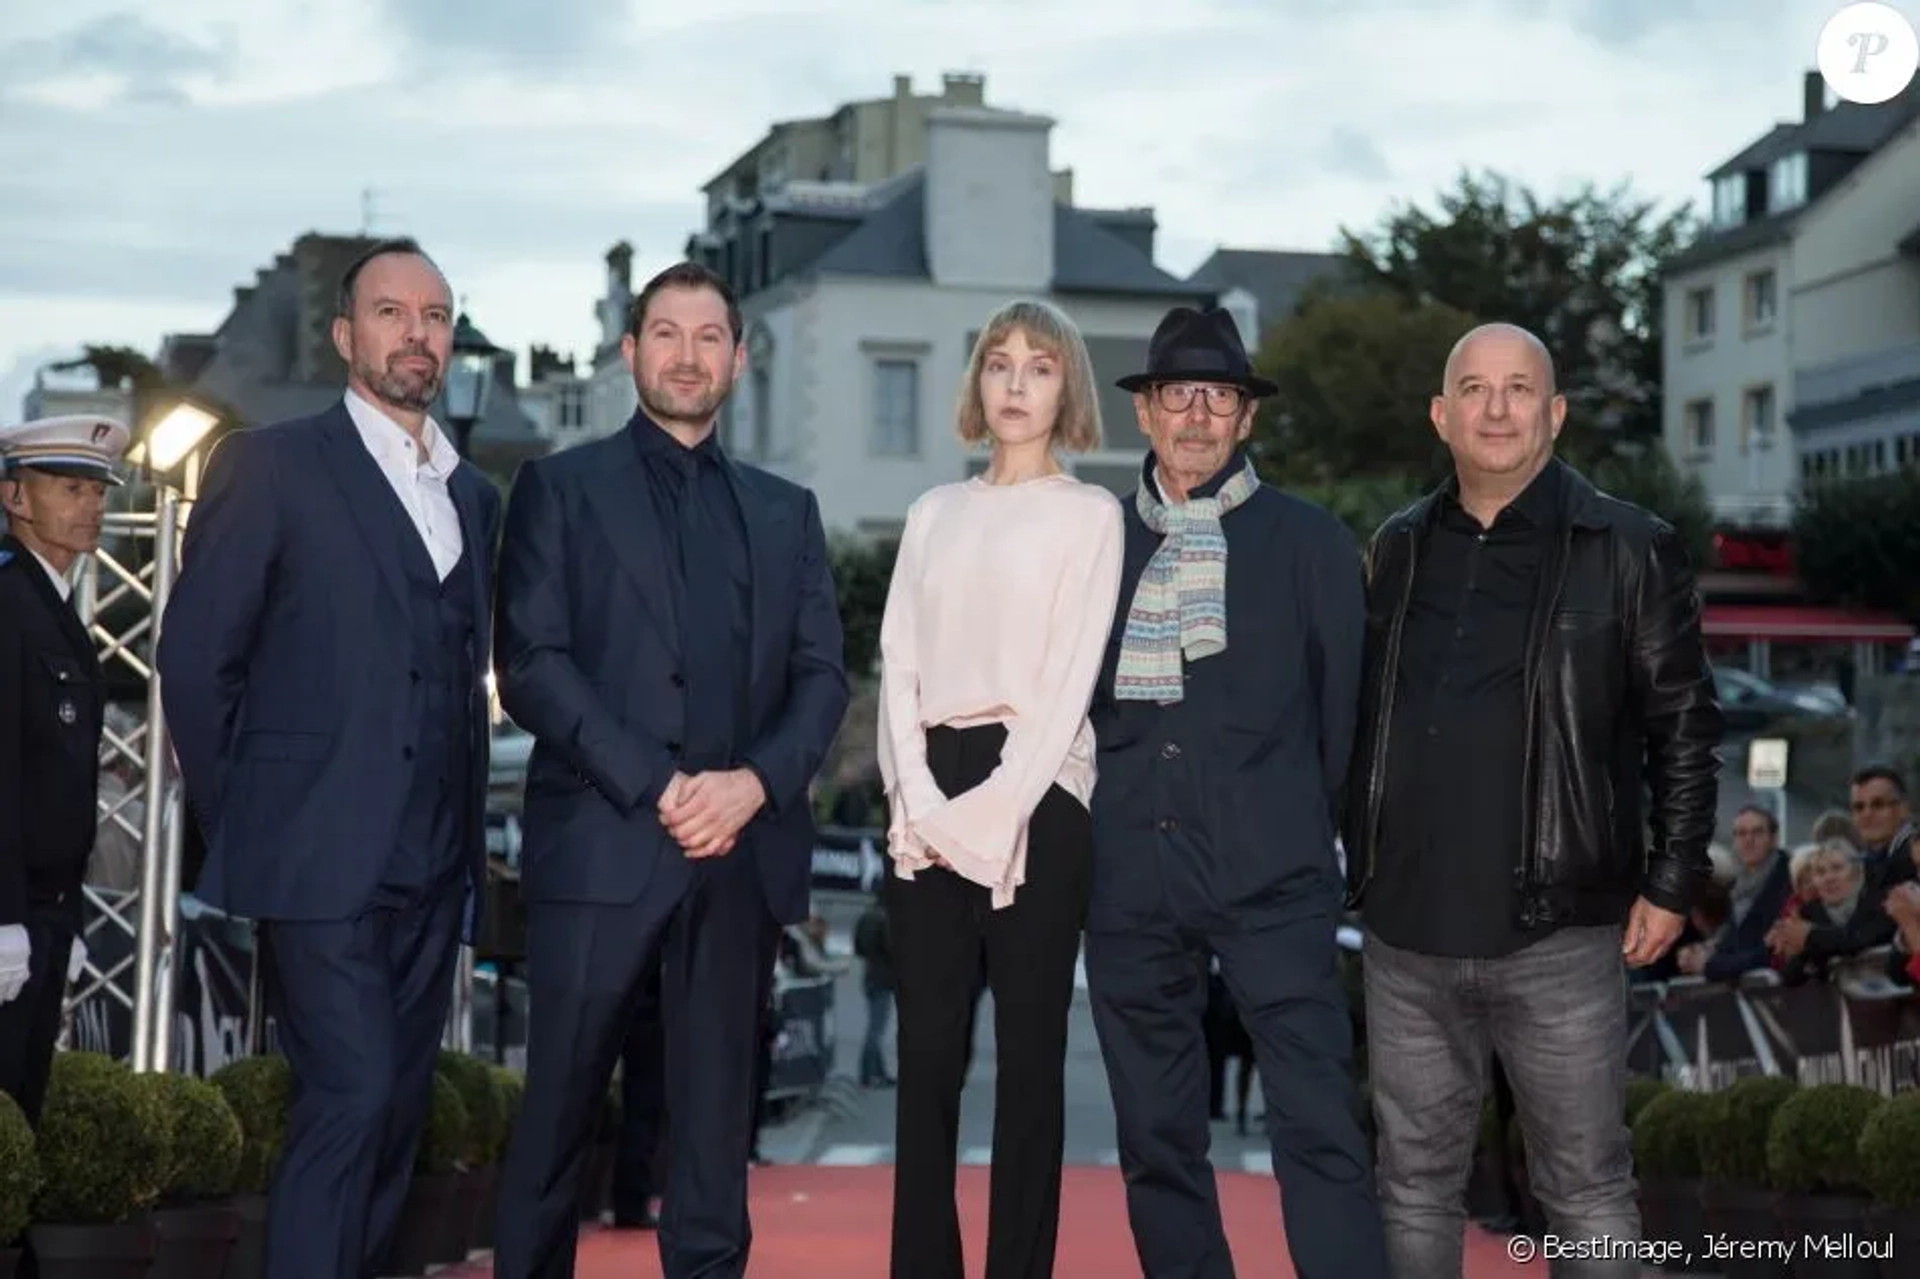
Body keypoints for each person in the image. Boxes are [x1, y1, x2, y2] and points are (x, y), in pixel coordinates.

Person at [489, 260, 848, 1279]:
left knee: (712, 1143)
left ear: (738, 359)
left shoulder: (789, 512)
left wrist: (751, 785)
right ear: (629, 351)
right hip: (602, 848)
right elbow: (532, 666)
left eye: (708, 337)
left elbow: (822, 678)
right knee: (556, 1116)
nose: (687, 354)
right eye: (667, 334)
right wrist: (657, 785)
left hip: (737, 859)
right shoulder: (559, 488)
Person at [1344, 322, 1722, 1278]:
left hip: (1560, 936)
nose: (1497, 407)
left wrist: (1674, 880)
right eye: (1475, 388)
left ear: (1553, 413)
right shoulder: (1393, 551)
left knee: (1587, 1190)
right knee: (1412, 1186)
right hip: (1405, 937)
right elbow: (1357, 719)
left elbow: (1684, 722)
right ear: (1442, 414)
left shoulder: (1631, 547)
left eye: (1520, 389)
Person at [158, 238, 502, 1279]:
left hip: (434, 868)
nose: (416, 334)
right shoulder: (270, 465)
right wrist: (254, 822)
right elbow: (194, 656)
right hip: (318, 864)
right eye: (391, 313)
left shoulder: (475, 499)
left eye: (435, 316)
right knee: (349, 1096)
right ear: (346, 334)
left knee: (396, 1113)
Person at [1082, 304, 1388, 1279]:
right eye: (1180, 395)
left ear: (1247, 419)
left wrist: (1344, 862)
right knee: (1157, 1140)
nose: (1200, 415)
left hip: (1276, 883)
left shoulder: (1311, 543)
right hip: (1130, 880)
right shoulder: (1094, 546)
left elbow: (1349, 723)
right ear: (1147, 414)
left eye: (1221, 397)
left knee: (1320, 1130)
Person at [876, 298, 1123, 1279]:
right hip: (929, 791)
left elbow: (1067, 685)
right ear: (976, 382)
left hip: (1042, 793)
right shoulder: (932, 513)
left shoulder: (1091, 514)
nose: (1016, 384)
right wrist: (917, 804)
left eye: (1041, 367)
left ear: (1070, 389)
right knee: (927, 1059)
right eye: (999, 364)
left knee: (1030, 1063)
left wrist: (991, 810)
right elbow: (897, 661)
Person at [0, 413, 127, 1124]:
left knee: (25, 1109)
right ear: (15, 497)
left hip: (46, 909)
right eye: (72, 488)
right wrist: (6, 916)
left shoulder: (51, 604)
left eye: (99, 490)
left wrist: (65, 920)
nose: (93, 506)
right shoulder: (9, 600)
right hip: (13, 909)